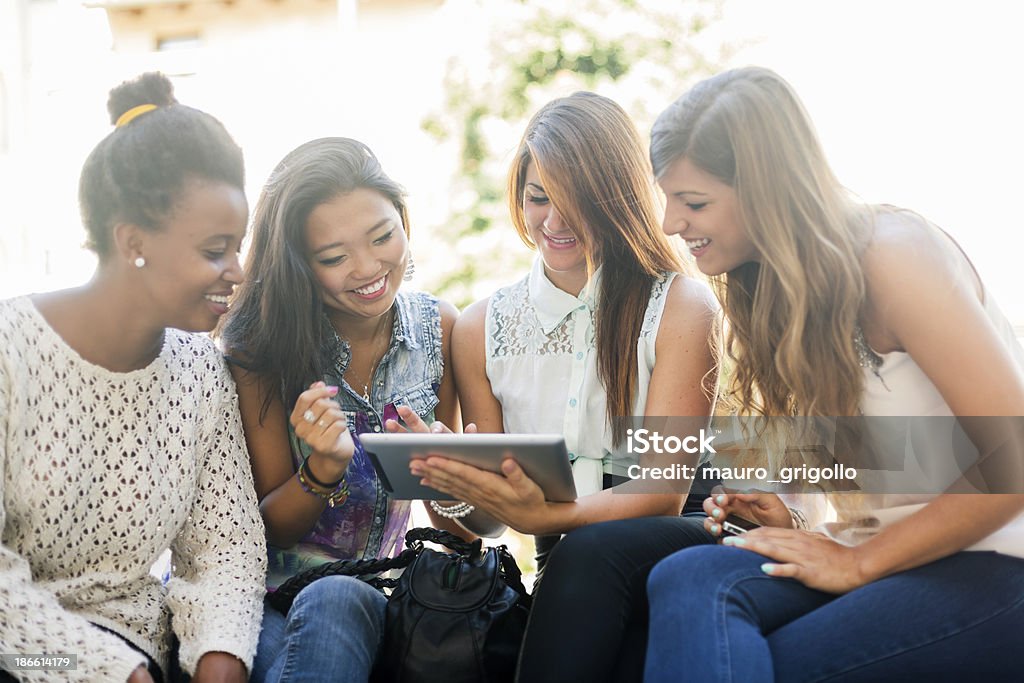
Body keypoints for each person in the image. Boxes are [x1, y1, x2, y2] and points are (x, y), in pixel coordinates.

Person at [643, 66, 1024, 682]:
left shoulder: (895, 256)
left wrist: (860, 563)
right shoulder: (776, 291)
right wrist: (792, 518)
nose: (669, 224)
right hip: (884, 551)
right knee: (683, 576)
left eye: (694, 202)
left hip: (996, 560)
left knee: (771, 665)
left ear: (768, 192)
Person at [395, 91, 720, 683]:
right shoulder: (478, 329)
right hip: (569, 567)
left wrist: (545, 516)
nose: (554, 221)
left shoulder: (680, 304)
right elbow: (483, 527)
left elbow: (664, 491)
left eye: (575, 200)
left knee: (586, 561)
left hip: (683, 536)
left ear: (615, 197)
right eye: (538, 197)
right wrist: (451, 483)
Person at [0, 72, 266, 683]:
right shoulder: (11, 351)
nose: (237, 270)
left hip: (141, 651)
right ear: (132, 241)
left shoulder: (200, 370)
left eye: (239, 246)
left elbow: (226, 550)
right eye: (215, 249)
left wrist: (218, 667)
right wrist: (112, 674)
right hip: (23, 654)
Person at [218, 137, 497, 683]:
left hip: (375, 596)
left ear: (404, 221)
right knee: (326, 603)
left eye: (382, 236)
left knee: (340, 598)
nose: (368, 268)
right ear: (300, 264)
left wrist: (439, 480)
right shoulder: (260, 348)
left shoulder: (439, 329)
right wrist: (321, 467)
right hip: (263, 599)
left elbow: (467, 535)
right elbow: (266, 528)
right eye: (334, 257)